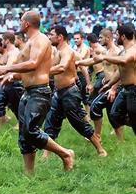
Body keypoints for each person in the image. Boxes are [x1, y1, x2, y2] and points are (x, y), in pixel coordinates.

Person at [0, 11, 74, 174]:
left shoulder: (41, 40)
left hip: (39, 92)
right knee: (24, 135)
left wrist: (7, 68)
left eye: (21, 20)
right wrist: (12, 76)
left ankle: (66, 154)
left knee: (31, 130)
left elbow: (34, 64)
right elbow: (26, 71)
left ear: (27, 23)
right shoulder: (30, 41)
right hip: (27, 91)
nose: (20, 23)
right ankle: (29, 174)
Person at [43, 26, 107, 157]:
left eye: (52, 35)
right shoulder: (56, 51)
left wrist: (41, 72)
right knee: (51, 122)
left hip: (69, 92)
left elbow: (62, 68)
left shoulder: (67, 51)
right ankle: (46, 154)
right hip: (58, 92)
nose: (50, 37)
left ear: (60, 37)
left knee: (78, 122)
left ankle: (100, 149)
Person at [77, 29, 122, 139]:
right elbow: (93, 61)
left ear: (108, 38)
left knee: (95, 107)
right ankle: (121, 141)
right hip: (107, 85)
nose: (99, 39)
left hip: (114, 87)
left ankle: (97, 136)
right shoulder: (105, 52)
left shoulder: (117, 52)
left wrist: (113, 88)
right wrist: (78, 62)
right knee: (112, 114)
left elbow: (120, 71)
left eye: (101, 37)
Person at [94, 24, 136, 135]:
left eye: (117, 35)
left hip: (133, 90)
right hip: (125, 90)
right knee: (115, 114)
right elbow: (120, 70)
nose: (115, 37)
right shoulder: (124, 51)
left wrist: (103, 57)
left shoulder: (133, 50)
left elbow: (124, 61)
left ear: (123, 37)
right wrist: (109, 84)